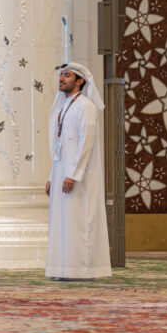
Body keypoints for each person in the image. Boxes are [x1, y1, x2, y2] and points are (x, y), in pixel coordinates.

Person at [45, 62, 111, 280]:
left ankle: (82, 270)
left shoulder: (86, 106)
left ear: (80, 81)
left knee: (79, 221)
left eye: (67, 75)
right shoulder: (63, 106)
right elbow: (58, 144)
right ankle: (62, 269)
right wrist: (52, 176)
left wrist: (73, 174)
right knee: (63, 222)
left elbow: (86, 143)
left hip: (79, 177)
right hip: (61, 173)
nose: (61, 79)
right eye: (61, 75)